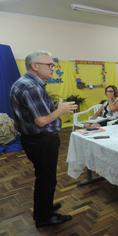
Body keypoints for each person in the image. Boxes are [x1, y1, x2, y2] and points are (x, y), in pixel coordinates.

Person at [9, 50, 77, 227]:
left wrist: (55, 107)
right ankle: (44, 218)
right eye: (50, 65)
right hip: (41, 140)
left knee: (43, 177)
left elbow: (38, 113)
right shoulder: (31, 86)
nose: (53, 69)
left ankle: (43, 208)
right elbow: (41, 121)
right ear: (35, 65)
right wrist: (60, 110)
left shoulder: (25, 83)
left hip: (33, 139)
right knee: (46, 179)